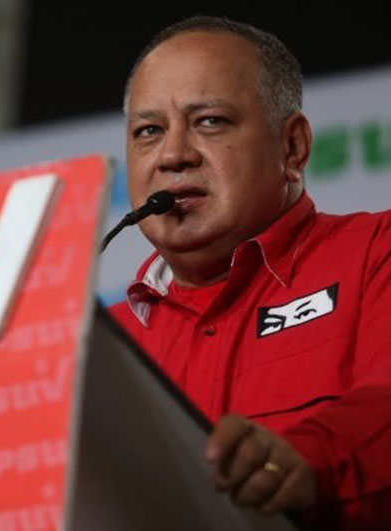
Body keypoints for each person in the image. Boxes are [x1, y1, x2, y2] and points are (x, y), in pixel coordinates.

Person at [108, 16, 390, 530]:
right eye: (149, 131)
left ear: (292, 147)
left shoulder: (376, 252)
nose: (173, 155)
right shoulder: (104, 346)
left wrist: (306, 462)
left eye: (210, 121)